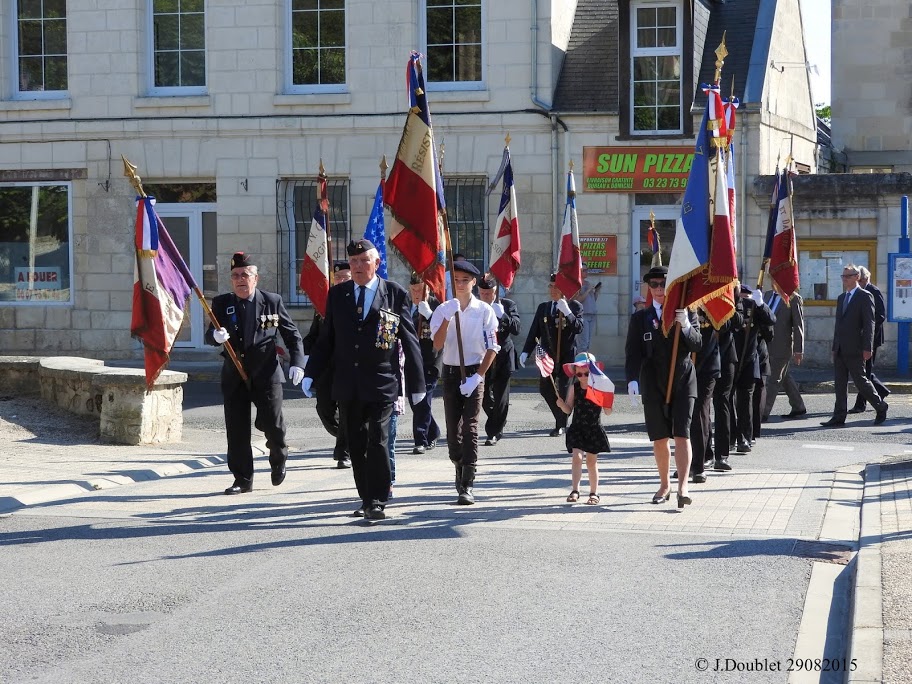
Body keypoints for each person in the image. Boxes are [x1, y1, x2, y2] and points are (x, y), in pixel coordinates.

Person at [302, 239, 424, 520]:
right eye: (353, 261)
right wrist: (311, 372)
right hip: (348, 383)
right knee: (355, 443)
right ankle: (366, 496)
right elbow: (326, 340)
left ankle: (379, 499)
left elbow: (409, 340)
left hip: (381, 382)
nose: (357, 266)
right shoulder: (338, 295)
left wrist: (417, 384)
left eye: (363, 261)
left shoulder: (393, 294)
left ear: (377, 263)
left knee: (378, 440)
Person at [205, 252, 306, 495]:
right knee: (237, 429)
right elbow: (209, 335)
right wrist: (214, 337)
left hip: (266, 372)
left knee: (273, 423)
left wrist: (297, 363)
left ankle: (279, 455)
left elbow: (292, 335)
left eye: (245, 275)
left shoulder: (272, 301)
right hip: (235, 374)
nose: (240, 279)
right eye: (235, 276)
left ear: (256, 278)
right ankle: (242, 479)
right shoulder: (222, 303)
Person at [624, 266, 701, 509]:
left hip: (682, 378)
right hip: (653, 380)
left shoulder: (686, 312)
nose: (658, 289)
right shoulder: (640, 318)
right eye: (654, 285)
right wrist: (632, 379)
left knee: (682, 433)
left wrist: (687, 326)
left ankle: (683, 486)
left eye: (663, 285)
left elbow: (697, 345)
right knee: (659, 438)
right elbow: (633, 352)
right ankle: (664, 484)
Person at [430, 260, 500, 505]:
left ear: (473, 283)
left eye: (465, 280)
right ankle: (458, 466)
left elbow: (493, 346)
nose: (460, 284)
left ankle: (468, 483)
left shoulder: (484, 310)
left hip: (474, 371)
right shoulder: (443, 309)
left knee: (470, 427)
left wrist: (478, 377)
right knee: (453, 432)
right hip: (450, 372)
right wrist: (448, 318)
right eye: (456, 280)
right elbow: (437, 344)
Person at [821, 264, 889, 427]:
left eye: (848, 276)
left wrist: (868, 347)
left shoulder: (865, 296)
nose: (845, 279)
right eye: (843, 276)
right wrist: (834, 346)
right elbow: (839, 325)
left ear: (857, 277)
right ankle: (839, 416)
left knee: (861, 381)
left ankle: (880, 406)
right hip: (840, 347)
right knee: (840, 383)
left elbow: (869, 323)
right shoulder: (841, 298)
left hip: (856, 347)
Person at [520, 272, 584, 436]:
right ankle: (562, 414)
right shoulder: (544, 307)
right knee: (545, 388)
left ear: (563, 289)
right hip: (548, 356)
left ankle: (560, 424)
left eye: (556, 286)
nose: (552, 289)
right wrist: (526, 351)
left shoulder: (575, 306)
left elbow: (578, 328)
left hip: (566, 356)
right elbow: (535, 330)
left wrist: (568, 312)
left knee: (562, 390)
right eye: (550, 286)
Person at [302, 260, 352, 469]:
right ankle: (352, 434)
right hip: (326, 367)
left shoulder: (357, 301)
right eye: (337, 278)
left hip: (349, 366)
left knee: (348, 409)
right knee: (325, 409)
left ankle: (344, 452)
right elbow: (315, 336)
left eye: (344, 278)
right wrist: (304, 357)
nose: (340, 281)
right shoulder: (325, 304)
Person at [556, 352, 612, 505]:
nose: (582, 376)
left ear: (593, 372)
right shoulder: (574, 388)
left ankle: (594, 493)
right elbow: (569, 409)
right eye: (579, 373)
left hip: (593, 429)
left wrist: (608, 405)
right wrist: (562, 406)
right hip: (578, 428)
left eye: (586, 373)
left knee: (591, 462)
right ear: (575, 373)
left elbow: (608, 411)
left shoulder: (599, 389)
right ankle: (575, 489)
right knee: (577, 457)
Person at [477, 272, 521, 445]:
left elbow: (517, 329)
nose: (486, 297)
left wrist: (503, 316)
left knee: (502, 397)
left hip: (503, 355)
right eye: (482, 294)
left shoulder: (508, 305)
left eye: (489, 293)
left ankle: (493, 432)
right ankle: (498, 420)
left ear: (495, 291)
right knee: (485, 396)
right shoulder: (476, 307)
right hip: (483, 356)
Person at [730, 285, 775, 453]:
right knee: (726, 402)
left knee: (745, 401)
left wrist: (761, 303)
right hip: (730, 360)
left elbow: (771, 321)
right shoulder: (729, 306)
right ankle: (730, 437)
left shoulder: (753, 307)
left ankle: (745, 438)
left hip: (749, 360)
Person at [407, 273, 442, 454]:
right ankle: (433, 431)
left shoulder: (437, 307)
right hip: (411, 363)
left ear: (427, 288)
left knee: (423, 401)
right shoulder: (406, 307)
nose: (416, 294)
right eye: (413, 290)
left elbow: (444, 333)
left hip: (430, 361)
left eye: (419, 290)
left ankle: (420, 439)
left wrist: (430, 315)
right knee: (415, 403)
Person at [849, 266, 890, 413]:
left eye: (858, 280)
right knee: (863, 370)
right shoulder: (856, 293)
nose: (856, 282)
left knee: (865, 372)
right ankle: (881, 390)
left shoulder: (874, 291)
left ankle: (861, 404)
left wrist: (867, 328)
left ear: (865, 279)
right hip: (859, 338)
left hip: (871, 338)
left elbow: (880, 316)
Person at [763, 289, 807, 420]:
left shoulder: (793, 298)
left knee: (774, 380)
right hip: (766, 344)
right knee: (784, 377)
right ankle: (798, 406)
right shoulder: (768, 295)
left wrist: (799, 350)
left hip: (782, 346)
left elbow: (798, 325)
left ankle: (763, 412)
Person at [571, 263, 601, 353]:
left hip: (592, 314)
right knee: (583, 343)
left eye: (587, 270)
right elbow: (578, 300)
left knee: (588, 342)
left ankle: (584, 363)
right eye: (584, 270)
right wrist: (588, 290)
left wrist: (596, 292)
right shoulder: (577, 285)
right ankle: (580, 363)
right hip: (583, 316)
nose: (586, 272)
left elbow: (592, 300)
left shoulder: (588, 283)